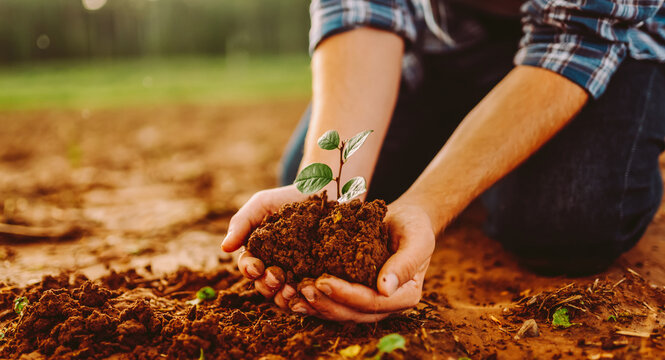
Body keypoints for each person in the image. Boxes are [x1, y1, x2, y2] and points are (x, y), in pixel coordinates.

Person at [222, 0, 665, 322]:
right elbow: (360, 9)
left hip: (612, 43)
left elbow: (578, 36)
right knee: (303, 187)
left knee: (567, 217)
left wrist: (429, 205)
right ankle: (477, 137)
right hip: (450, 37)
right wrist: (321, 194)